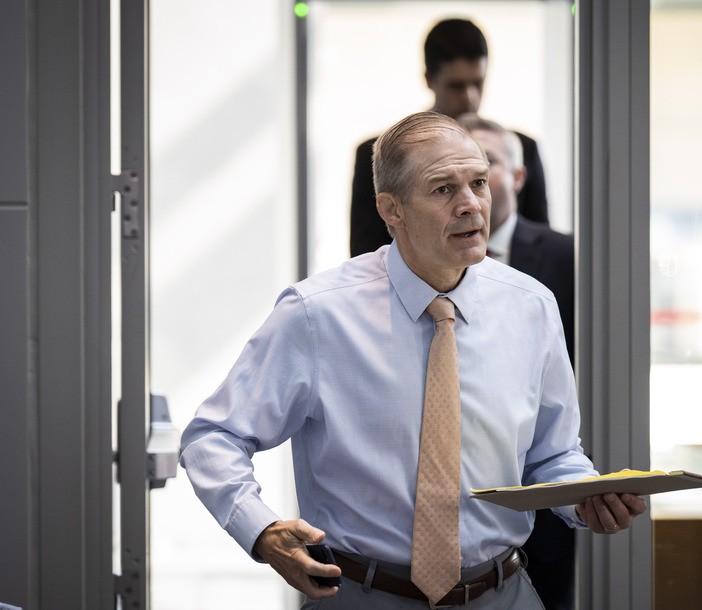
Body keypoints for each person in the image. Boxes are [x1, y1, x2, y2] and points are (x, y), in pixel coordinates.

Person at [180, 111, 646, 609]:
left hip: (504, 594)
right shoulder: (316, 315)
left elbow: (552, 455)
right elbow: (214, 436)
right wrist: (263, 531)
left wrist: (585, 499)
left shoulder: (531, 306)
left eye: (479, 182)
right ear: (391, 210)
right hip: (363, 594)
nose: (471, 205)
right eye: (443, 189)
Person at [460, 114, 576, 609]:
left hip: (546, 501)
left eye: (483, 171)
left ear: (516, 178)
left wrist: (580, 490)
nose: (468, 196)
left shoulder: (563, 266)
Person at [350, 18, 550, 257]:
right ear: (429, 80)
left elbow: (540, 245)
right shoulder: (380, 154)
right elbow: (368, 253)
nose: (470, 97)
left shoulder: (521, 147)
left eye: (478, 82)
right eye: (456, 86)